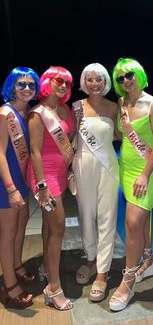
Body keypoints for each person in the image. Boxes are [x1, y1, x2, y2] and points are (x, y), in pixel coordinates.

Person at [108, 57, 153, 311]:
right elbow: (122, 137)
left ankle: (129, 278)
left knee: (132, 222)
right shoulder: (122, 102)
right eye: (120, 78)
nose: (125, 81)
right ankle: (148, 259)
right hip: (127, 167)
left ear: (139, 75)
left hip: (148, 170)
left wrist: (145, 174)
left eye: (129, 75)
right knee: (141, 220)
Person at [26, 66, 75, 311]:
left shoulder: (66, 109)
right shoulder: (37, 114)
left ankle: (47, 266)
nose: (63, 86)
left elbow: (71, 139)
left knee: (49, 226)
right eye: (58, 81)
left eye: (67, 82)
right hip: (44, 177)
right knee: (58, 227)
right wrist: (42, 186)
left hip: (61, 174)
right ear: (47, 82)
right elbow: (34, 151)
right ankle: (53, 288)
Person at [72, 63, 119, 302]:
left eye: (99, 79)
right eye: (90, 79)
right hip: (83, 165)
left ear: (105, 82)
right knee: (86, 213)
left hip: (108, 166)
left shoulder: (114, 107)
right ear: (84, 82)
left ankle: (102, 271)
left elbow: (122, 135)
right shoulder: (76, 107)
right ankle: (90, 257)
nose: (94, 84)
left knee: (107, 216)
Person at [0, 66, 40, 308]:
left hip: (21, 181)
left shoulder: (26, 114)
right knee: (8, 232)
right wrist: (11, 188)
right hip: (7, 183)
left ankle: (15, 264)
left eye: (31, 85)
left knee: (21, 224)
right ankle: (10, 286)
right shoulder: (5, 114)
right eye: (21, 84)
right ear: (11, 86)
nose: (26, 88)